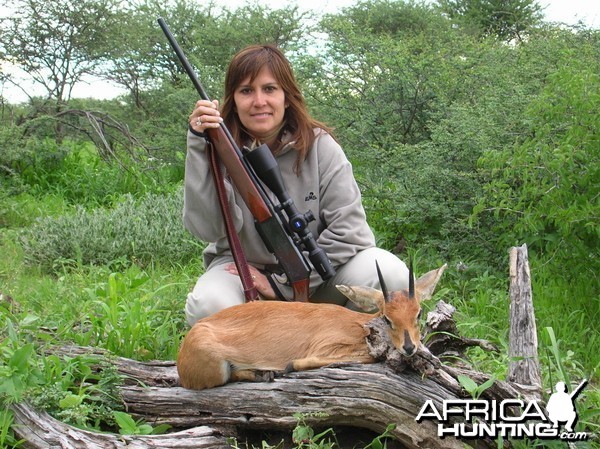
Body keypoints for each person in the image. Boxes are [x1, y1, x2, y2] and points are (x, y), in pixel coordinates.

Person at [183, 44, 409, 326]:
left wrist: (283, 284)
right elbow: (206, 228)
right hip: (244, 275)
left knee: (390, 274)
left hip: (316, 279)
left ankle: (346, 353)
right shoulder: (216, 149)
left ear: (286, 97)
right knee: (209, 306)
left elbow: (351, 233)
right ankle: (258, 361)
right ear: (233, 100)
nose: (259, 101)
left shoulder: (320, 146)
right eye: (246, 91)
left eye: (269, 89)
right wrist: (198, 144)